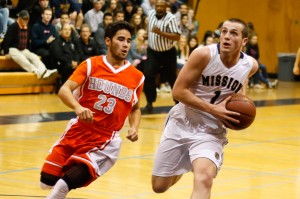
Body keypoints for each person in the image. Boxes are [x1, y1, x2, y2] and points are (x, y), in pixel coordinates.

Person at [151, 18, 259, 199]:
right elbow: (178, 92)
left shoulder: (250, 65)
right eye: (223, 32)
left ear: (244, 41)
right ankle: (186, 163)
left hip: (211, 130)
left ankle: (197, 160)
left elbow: (239, 88)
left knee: (205, 178)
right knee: (159, 186)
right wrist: (213, 109)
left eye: (233, 33)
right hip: (182, 122)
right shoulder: (203, 55)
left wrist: (237, 108)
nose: (226, 37)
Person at [40, 21, 145, 199]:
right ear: (108, 41)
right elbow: (64, 90)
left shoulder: (137, 77)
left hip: (105, 139)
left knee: (64, 185)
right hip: (78, 130)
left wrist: (134, 127)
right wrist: (78, 107)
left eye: (129, 40)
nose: (126, 44)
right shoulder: (91, 65)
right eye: (121, 39)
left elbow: (135, 109)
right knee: (46, 182)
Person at [142, 0, 180, 114]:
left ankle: (178, 102)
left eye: (161, 6)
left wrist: (160, 33)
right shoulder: (151, 14)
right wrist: (147, 34)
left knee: (172, 77)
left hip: (168, 52)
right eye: (157, 6)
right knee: (148, 75)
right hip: (153, 51)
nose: (159, 8)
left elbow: (177, 36)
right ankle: (149, 103)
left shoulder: (171, 18)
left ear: (165, 7)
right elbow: (149, 27)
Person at [1, 10, 57, 79]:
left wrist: (28, 50)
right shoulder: (13, 26)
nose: (25, 21)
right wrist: (6, 52)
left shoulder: (28, 27)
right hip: (11, 48)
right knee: (22, 59)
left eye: (27, 19)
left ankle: (44, 71)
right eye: (24, 19)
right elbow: (6, 40)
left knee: (34, 57)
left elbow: (28, 40)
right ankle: (35, 71)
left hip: (23, 49)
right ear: (19, 18)